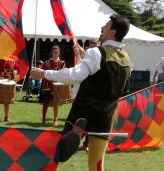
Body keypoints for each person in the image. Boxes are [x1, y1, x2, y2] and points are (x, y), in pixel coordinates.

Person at [31, 14, 131, 169]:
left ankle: (74, 133)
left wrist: (44, 73)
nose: (102, 27)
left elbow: (74, 75)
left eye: (106, 25)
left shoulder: (96, 52)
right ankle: (75, 135)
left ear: (113, 32)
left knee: (55, 151)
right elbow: (115, 82)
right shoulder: (126, 59)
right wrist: (84, 57)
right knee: (97, 164)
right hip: (105, 116)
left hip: (84, 110)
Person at [39, 45, 66, 126]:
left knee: (56, 103)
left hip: (57, 86)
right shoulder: (47, 62)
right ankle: (43, 119)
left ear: (59, 53)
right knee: (46, 102)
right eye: (54, 52)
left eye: (57, 52)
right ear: (52, 53)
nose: (55, 54)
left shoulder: (62, 63)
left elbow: (65, 73)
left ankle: (55, 120)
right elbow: (41, 71)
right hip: (47, 85)